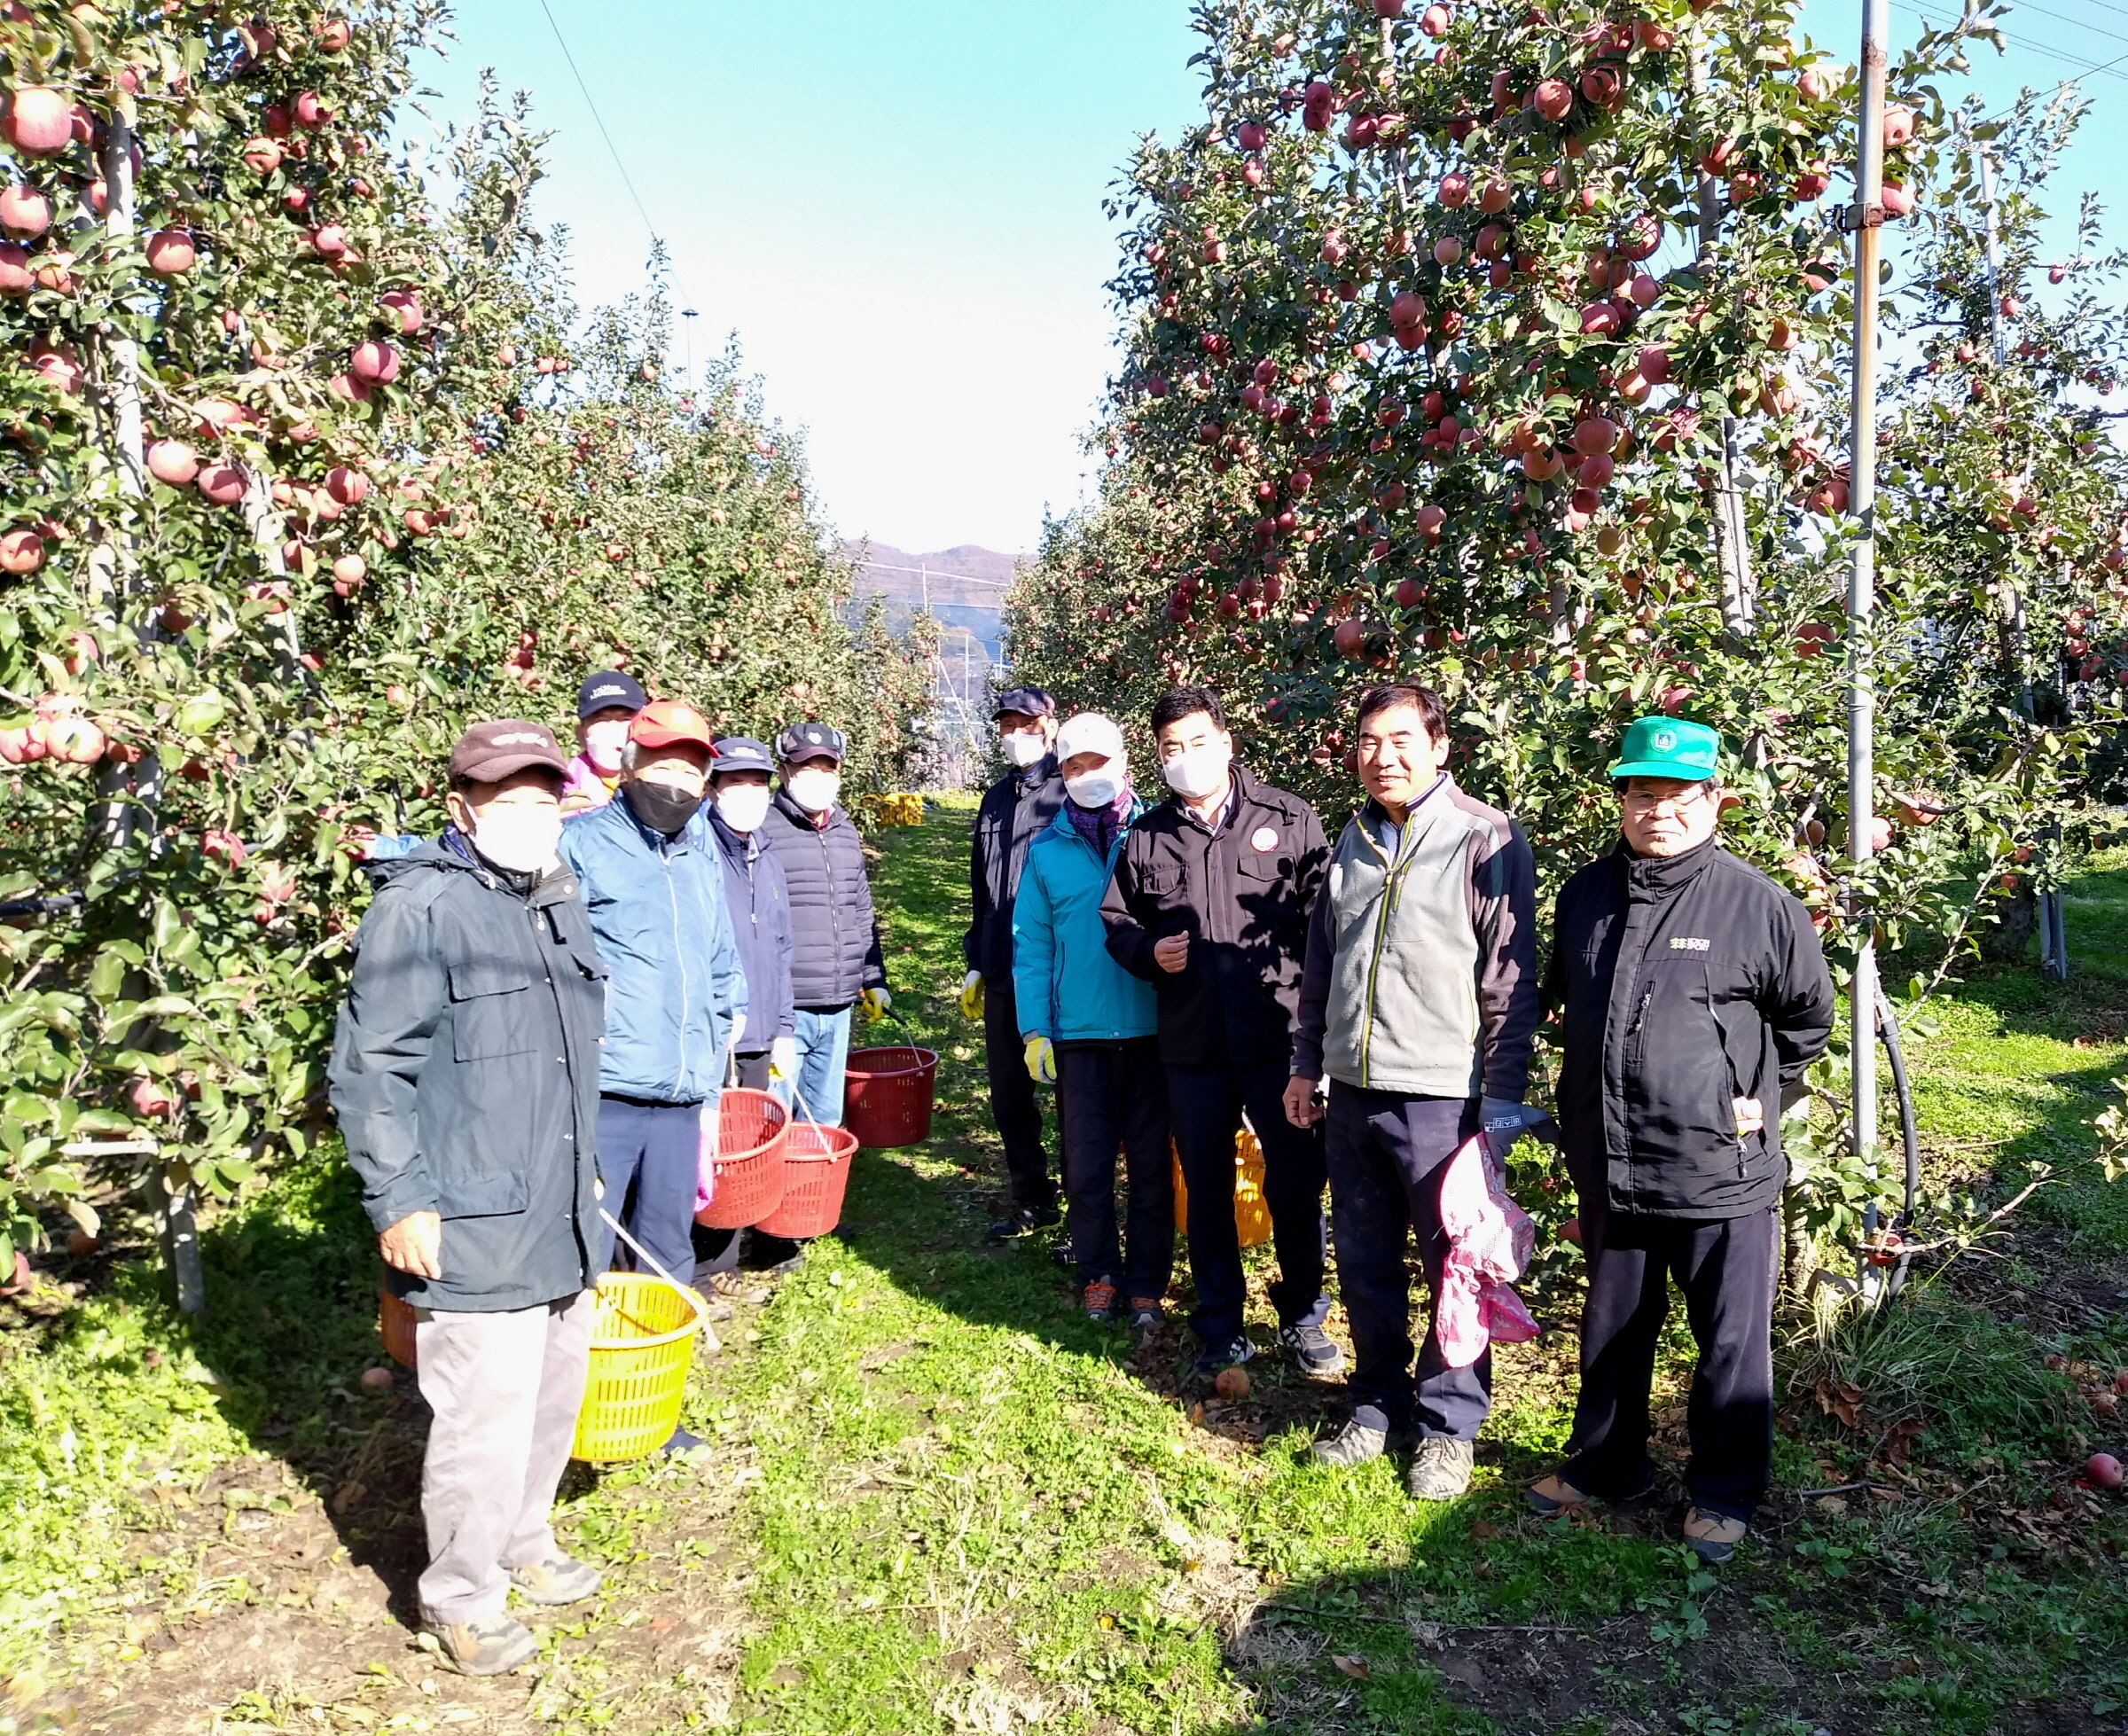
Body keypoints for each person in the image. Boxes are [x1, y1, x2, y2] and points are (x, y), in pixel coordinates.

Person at [329, 719, 606, 1677]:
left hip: (561, 1202)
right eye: (508, 801)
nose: (531, 817)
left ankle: (523, 1538)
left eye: (544, 799)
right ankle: (461, 1594)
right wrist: (399, 1197)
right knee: (482, 1416)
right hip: (476, 1209)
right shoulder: (422, 910)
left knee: (551, 1393)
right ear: (462, 809)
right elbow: (371, 1068)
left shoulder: (554, 895)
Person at [1528, 716, 1834, 1562]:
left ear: (1714, 800)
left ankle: (1724, 1491)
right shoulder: (1586, 895)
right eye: (1639, 791)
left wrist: (1743, 1096)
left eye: (1675, 793)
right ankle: (1607, 1465)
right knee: (1615, 1322)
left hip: (1718, 1168)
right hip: (1611, 1158)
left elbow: (1807, 1021)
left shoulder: (1758, 905)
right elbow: (1563, 1002)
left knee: (1729, 1339)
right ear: (1621, 798)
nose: (1655, 809)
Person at [1284, 682, 1542, 1501]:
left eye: (1400, 740)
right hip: (1354, 1092)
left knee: (1453, 1271)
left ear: (1438, 746)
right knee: (1362, 1262)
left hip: (1443, 1097)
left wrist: (1498, 1104)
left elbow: (1509, 979)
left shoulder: (1483, 837)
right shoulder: (1349, 844)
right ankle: (1373, 1402)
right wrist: (1305, 1063)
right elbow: (1322, 966)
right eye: (1367, 741)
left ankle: (1448, 1425)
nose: (1382, 756)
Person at [1100, 685, 1338, 1380]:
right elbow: (1116, 922)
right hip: (1193, 1046)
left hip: (1281, 1042)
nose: (1185, 759)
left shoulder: (1288, 818)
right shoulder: (1144, 837)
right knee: (1204, 1188)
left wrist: (1317, 1037)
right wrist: (1148, 953)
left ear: (1227, 744)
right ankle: (1220, 1325)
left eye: (1198, 743)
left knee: (1295, 1181)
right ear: (1159, 757)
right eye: (1171, 749)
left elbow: (1327, 928)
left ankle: (1302, 1315)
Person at [556, 699, 747, 1456]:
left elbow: (718, 947)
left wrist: (725, 1014)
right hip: (605, 1087)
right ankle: (569, 1408)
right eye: (662, 763)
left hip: (682, 1086)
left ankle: (653, 1406)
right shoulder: (582, 847)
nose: (677, 779)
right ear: (630, 767)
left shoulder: (700, 847)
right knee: (585, 1253)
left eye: (691, 767)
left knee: (668, 1248)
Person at [1012, 711, 1171, 1326]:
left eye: (1096, 763)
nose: (1086, 776)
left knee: (1153, 1168)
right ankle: (1100, 1271)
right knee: (1087, 1165)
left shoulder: (1157, 831)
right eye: (1074, 766)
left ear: (1123, 762)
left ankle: (1147, 1282)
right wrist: (1034, 1030)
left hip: (1154, 1029)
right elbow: (1032, 945)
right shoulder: (1048, 850)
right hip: (1080, 1034)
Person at [693, 735, 802, 1290]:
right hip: (711, 1030)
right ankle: (703, 1258)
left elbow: (781, 949)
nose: (748, 793)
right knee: (706, 1145)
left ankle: (733, 1245)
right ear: (712, 788)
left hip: (760, 1026)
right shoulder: (696, 853)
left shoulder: (767, 858)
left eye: (758, 783)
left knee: (747, 1145)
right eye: (736, 782)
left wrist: (783, 1026)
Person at [963, 686, 1066, 1240]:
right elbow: (982, 888)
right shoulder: (995, 799)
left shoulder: (1071, 790)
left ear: (1050, 725)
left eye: (1027, 723)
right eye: (1007, 724)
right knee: (1009, 1094)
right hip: (1004, 969)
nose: (1017, 734)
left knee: (1074, 1097)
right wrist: (976, 960)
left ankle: (1085, 1211)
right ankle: (1034, 1196)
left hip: (1058, 972)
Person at [759, 720, 890, 1130]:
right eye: (806, 768)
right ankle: (774, 1195)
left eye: (827, 768)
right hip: (785, 1006)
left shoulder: (844, 830)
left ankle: (812, 1196)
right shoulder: (762, 829)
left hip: (837, 1005)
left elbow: (861, 909)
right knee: (774, 1119)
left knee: (824, 1121)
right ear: (783, 771)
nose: (818, 778)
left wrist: (873, 977)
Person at [559, 669, 647, 815]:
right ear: (581, 735)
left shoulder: (668, 776)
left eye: (624, 719)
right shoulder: (562, 791)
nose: (614, 730)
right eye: (602, 720)